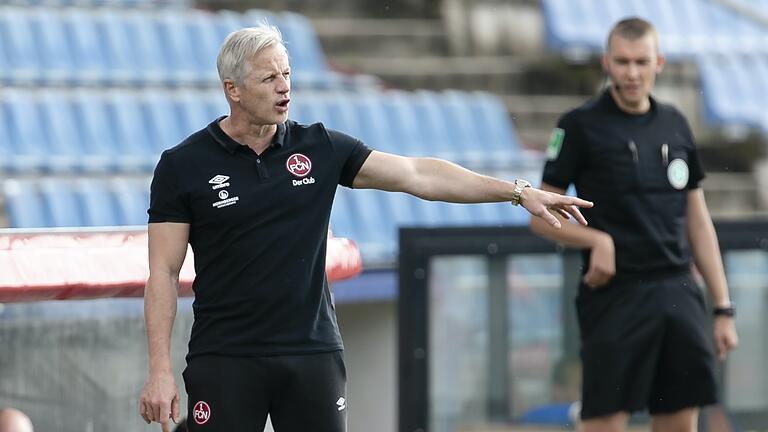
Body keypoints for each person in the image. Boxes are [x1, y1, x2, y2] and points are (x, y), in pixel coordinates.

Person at [138, 23, 592, 432]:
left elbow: (420, 175)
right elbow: (162, 272)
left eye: (288, 74)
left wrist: (516, 192)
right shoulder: (184, 166)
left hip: (312, 354)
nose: (285, 88)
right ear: (232, 90)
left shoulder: (319, 147)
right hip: (226, 357)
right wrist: (159, 369)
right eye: (269, 78)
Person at [529, 17, 739, 432]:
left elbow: (697, 220)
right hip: (614, 295)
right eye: (622, 62)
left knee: (680, 421)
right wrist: (595, 239)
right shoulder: (579, 125)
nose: (631, 73)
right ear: (606, 63)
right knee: (605, 422)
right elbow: (539, 216)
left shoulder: (675, 123)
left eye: (641, 62)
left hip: (677, 291)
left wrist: (722, 307)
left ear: (658, 63)